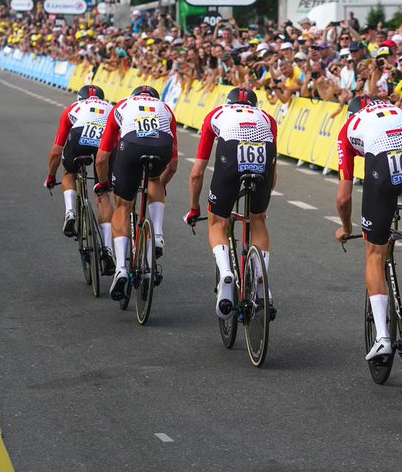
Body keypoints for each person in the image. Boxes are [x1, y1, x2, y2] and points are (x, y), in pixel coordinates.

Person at [333, 96, 402, 361]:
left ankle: (382, 338)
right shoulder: (395, 110)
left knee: (375, 253)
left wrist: (345, 228)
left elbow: (344, 198)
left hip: (383, 161)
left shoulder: (348, 128)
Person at [185, 87, 279, 318]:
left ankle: (226, 271)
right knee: (257, 220)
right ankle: (261, 280)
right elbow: (273, 172)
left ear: (228, 102)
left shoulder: (217, 113)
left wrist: (195, 208)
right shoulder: (267, 119)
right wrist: (261, 205)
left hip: (231, 152)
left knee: (217, 222)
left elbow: (197, 172)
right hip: (263, 155)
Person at [95, 84, 179, 300]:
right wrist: (161, 185)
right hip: (162, 147)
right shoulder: (165, 108)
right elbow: (174, 164)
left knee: (123, 206)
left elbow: (102, 158)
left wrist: (103, 184)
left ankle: (121, 267)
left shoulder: (122, 106)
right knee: (153, 179)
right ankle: (157, 234)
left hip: (131, 146)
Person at [45, 84, 114, 270]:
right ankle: (107, 248)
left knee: (69, 173)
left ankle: (70, 212)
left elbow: (56, 151)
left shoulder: (72, 109)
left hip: (79, 136)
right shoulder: (110, 107)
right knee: (103, 191)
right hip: (105, 140)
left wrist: (51, 176)